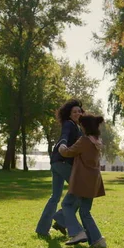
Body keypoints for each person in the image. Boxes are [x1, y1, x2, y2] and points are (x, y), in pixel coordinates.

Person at [35, 99, 83, 237]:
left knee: (55, 197)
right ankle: (61, 220)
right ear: (69, 114)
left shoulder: (78, 127)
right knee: (80, 190)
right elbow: (64, 136)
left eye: (79, 111)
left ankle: (42, 229)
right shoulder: (69, 124)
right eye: (74, 112)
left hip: (56, 163)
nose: (77, 113)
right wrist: (63, 145)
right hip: (62, 163)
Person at [58, 114, 106, 248]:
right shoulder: (96, 140)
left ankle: (77, 232)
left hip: (81, 180)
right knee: (85, 211)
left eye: (81, 125)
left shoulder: (84, 141)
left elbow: (68, 152)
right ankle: (97, 240)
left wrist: (61, 147)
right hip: (93, 181)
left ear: (85, 127)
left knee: (66, 204)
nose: (81, 128)